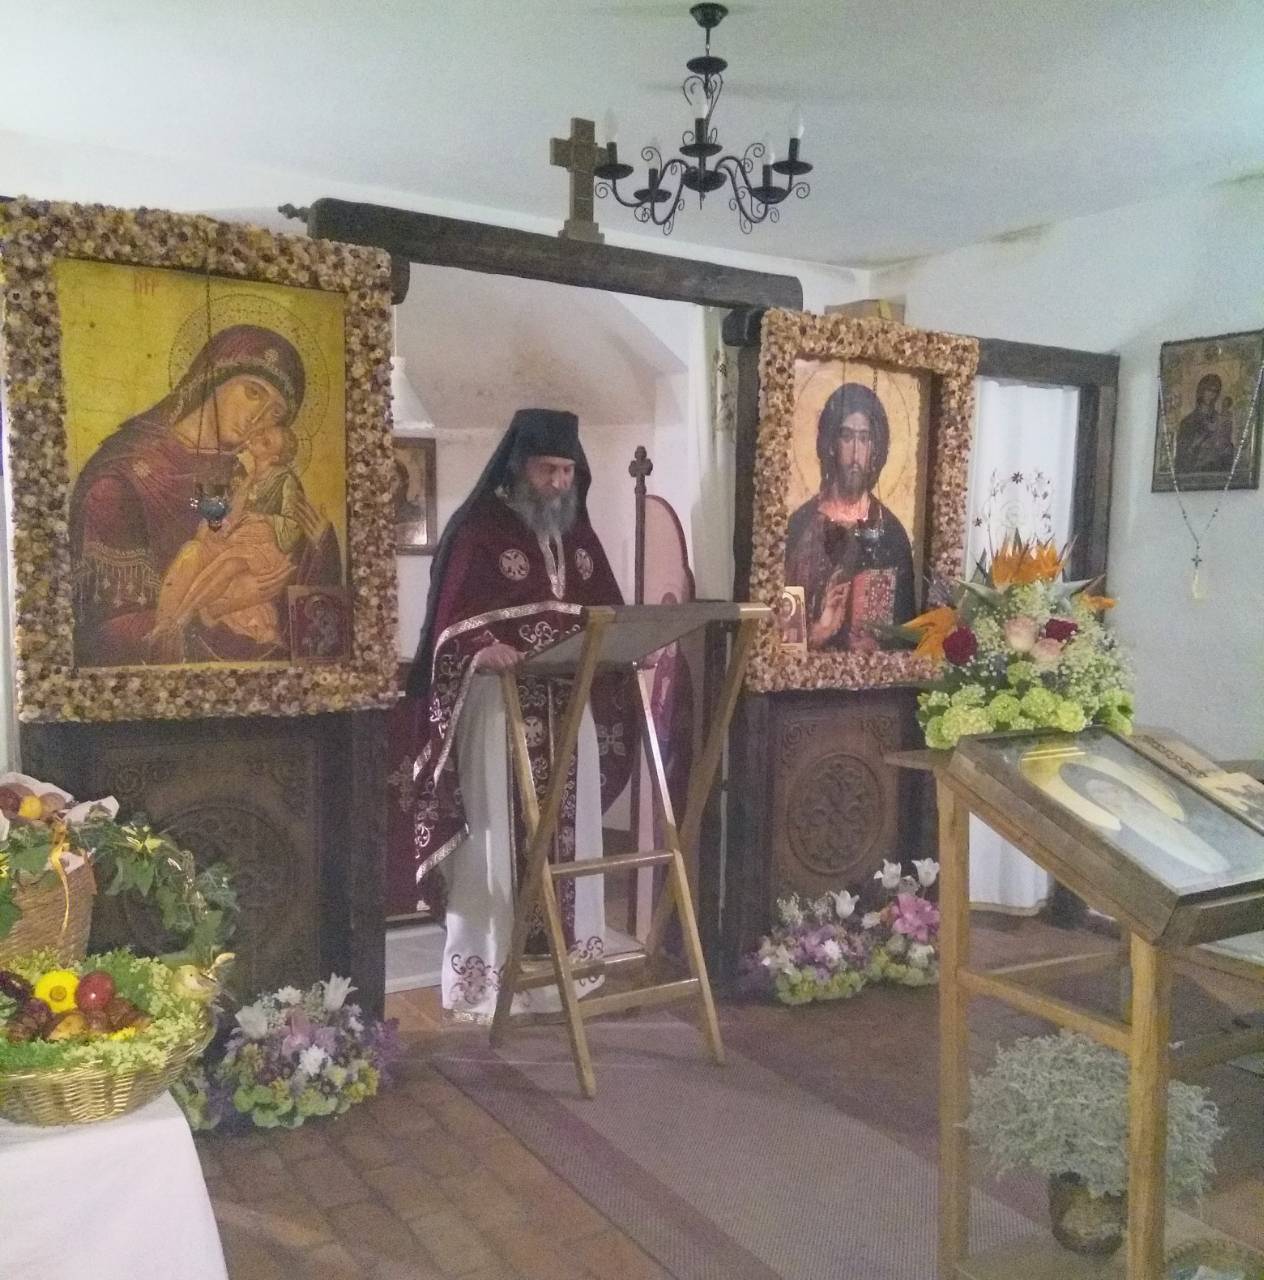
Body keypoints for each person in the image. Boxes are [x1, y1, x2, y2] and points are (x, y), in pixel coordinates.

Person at [406, 408, 635, 1020]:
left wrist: (623, 647)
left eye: (567, 471)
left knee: (570, 834)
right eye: (547, 470)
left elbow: (608, 613)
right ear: (519, 466)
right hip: (499, 710)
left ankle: (566, 972)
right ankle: (489, 979)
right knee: (498, 836)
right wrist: (482, 648)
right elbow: (448, 628)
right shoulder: (479, 528)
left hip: (568, 710)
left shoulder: (579, 535)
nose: (559, 483)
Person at [69, 324, 340, 665]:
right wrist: (220, 606)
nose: (258, 418)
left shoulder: (259, 478)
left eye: (275, 413)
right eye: (253, 392)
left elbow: (313, 630)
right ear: (213, 378)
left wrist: (322, 549)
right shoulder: (123, 479)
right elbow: (107, 637)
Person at [146, 420, 306, 659]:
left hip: (264, 551)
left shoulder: (285, 480)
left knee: (229, 564)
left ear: (274, 458)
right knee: (193, 552)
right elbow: (226, 517)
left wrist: (266, 520)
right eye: (262, 432)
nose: (257, 436)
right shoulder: (246, 476)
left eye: (265, 442)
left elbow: (294, 524)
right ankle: (166, 628)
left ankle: (181, 619)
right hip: (238, 542)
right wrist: (219, 526)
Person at [784, 382, 915, 651]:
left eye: (864, 439)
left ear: (875, 449)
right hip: (806, 677)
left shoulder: (892, 534)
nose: (856, 454)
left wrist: (877, 645)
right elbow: (787, 640)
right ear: (831, 444)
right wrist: (819, 632)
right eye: (847, 437)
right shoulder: (800, 527)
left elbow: (906, 634)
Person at [1173, 373, 1230, 475]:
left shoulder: (1220, 419)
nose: (1211, 394)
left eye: (1215, 391)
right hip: (1193, 472)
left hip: (1215, 470)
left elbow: (1225, 446)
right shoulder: (1188, 421)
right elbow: (1182, 453)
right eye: (1208, 390)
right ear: (1201, 391)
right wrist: (1201, 439)